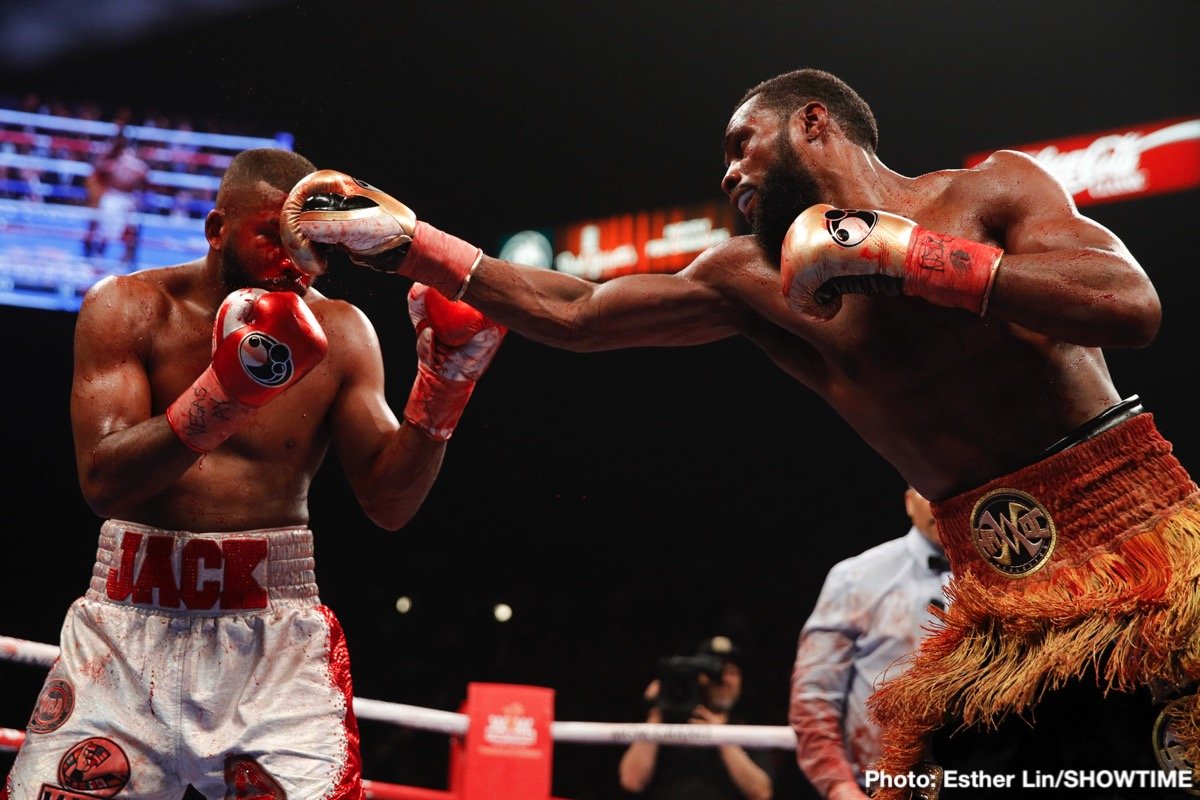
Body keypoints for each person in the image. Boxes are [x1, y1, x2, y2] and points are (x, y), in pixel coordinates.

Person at [281, 67, 1200, 796]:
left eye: (741, 146)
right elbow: (578, 311)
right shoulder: (750, 280)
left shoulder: (992, 190)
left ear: (813, 122)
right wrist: (411, 243)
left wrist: (911, 258)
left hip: (1147, 555)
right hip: (1000, 616)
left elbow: (1130, 305)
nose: (728, 175)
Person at [4, 147, 505, 800]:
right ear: (217, 231)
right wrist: (227, 392)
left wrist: (445, 386)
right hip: (123, 636)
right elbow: (105, 484)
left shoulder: (342, 332)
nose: (291, 256)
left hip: (273, 645)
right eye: (271, 234)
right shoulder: (128, 308)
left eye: (309, 238)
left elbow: (390, 503)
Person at [790, 485, 950, 800]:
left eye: (948, 490)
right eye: (926, 491)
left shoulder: (1003, 574)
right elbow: (814, 697)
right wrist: (839, 787)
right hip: (873, 786)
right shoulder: (857, 577)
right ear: (909, 502)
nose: (939, 502)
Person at [618, 636, 775, 800]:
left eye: (732, 673)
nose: (724, 680)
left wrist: (722, 737)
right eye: (716, 672)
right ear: (698, 678)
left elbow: (761, 792)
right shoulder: (666, 724)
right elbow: (631, 781)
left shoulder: (746, 733)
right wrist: (656, 713)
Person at [81, 126, 150, 266]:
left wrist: (138, 201)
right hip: (111, 198)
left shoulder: (136, 166)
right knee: (103, 217)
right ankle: (96, 254)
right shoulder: (111, 161)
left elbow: (145, 187)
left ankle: (126, 258)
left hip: (127, 200)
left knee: (128, 225)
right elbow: (95, 176)